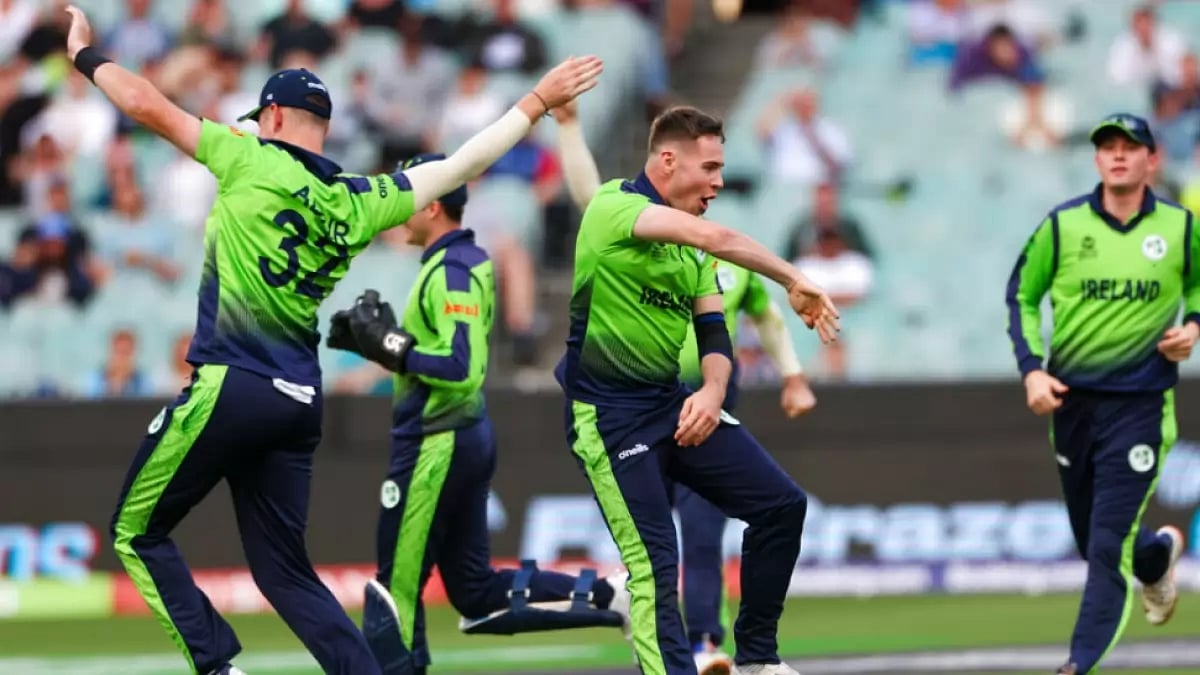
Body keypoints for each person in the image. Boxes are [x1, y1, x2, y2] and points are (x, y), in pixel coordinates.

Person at [61, 6, 603, 675]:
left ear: (277, 119)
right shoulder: (358, 199)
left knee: (134, 530)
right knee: (285, 572)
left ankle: (218, 666)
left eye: (262, 119)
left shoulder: (245, 155)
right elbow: (464, 161)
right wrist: (536, 100)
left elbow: (144, 103)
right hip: (299, 399)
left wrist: (85, 55)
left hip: (233, 380)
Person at [551, 100, 839, 675]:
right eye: (709, 167)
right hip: (607, 419)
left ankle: (757, 659)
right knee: (655, 565)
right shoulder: (614, 207)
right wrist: (794, 278)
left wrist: (711, 392)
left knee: (782, 506)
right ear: (667, 161)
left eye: (721, 168)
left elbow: (714, 337)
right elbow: (715, 236)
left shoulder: (693, 252)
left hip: (671, 406)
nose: (720, 180)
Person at [326, 153, 628, 675]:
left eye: (411, 196)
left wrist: (392, 346)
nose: (401, 208)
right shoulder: (458, 262)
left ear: (435, 205)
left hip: (436, 442)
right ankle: (607, 596)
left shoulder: (455, 269)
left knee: (393, 592)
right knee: (474, 591)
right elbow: (440, 352)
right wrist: (384, 347)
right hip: (457, 435)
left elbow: (459, 366)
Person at [1005, 113, 1193, 675]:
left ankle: (1076, 666)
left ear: (1151, 161)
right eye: (1107, 147)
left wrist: (1195, 326)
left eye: (1130, 147)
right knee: (1096, 542)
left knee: (1107, 549)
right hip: (1072, 406)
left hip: (1140, 406)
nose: (1117, 155)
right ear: (1096, 160)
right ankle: (1157, 558)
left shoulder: (1181, 228)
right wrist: (1032, 370)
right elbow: (1021, 296)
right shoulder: (1062, 228)